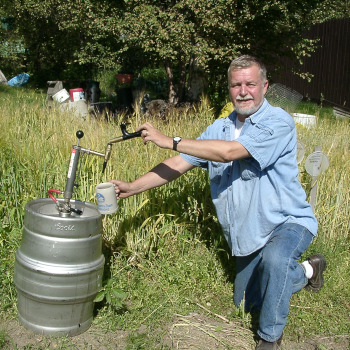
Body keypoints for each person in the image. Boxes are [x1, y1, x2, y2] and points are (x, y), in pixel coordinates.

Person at [110, 55, 327, 350]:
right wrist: (132, 187)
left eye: (250, 83)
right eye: (236, 84)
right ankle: (308, 271)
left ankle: (269, 337)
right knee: (246, 302)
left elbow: (229, 153)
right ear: (229, 88)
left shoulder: (278, 122)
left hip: (287, 222)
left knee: (276, 261)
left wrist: (170, 138)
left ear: (265, 85)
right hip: (251, 233)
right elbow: (179, 162)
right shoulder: (220, 128)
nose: (243, 91)